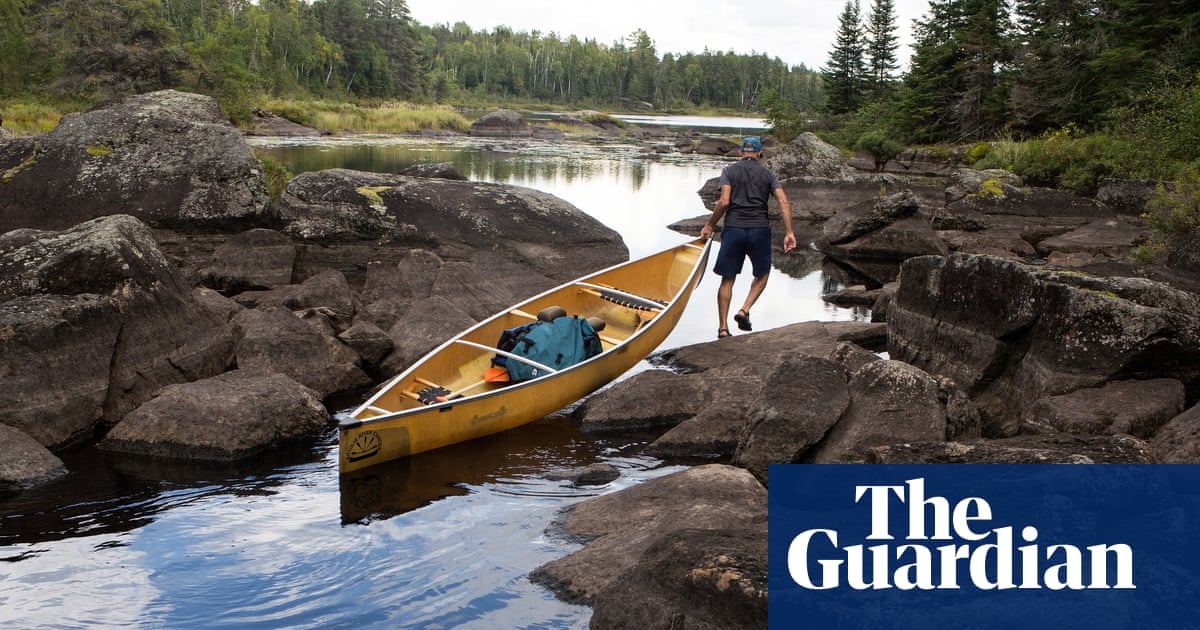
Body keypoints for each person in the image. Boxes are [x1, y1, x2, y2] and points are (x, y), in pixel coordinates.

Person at [699, 136, 796, 339]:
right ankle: (744, 310)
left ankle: (723, 328)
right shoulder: (768, 175)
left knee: (728, 278)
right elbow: (784, 201)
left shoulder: (729, 171)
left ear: (741, 153)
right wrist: (789, 233)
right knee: (762, 274)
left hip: (734, 228)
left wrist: (710, 224)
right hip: (759, 229)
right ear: (760, 154)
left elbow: (724, 201)